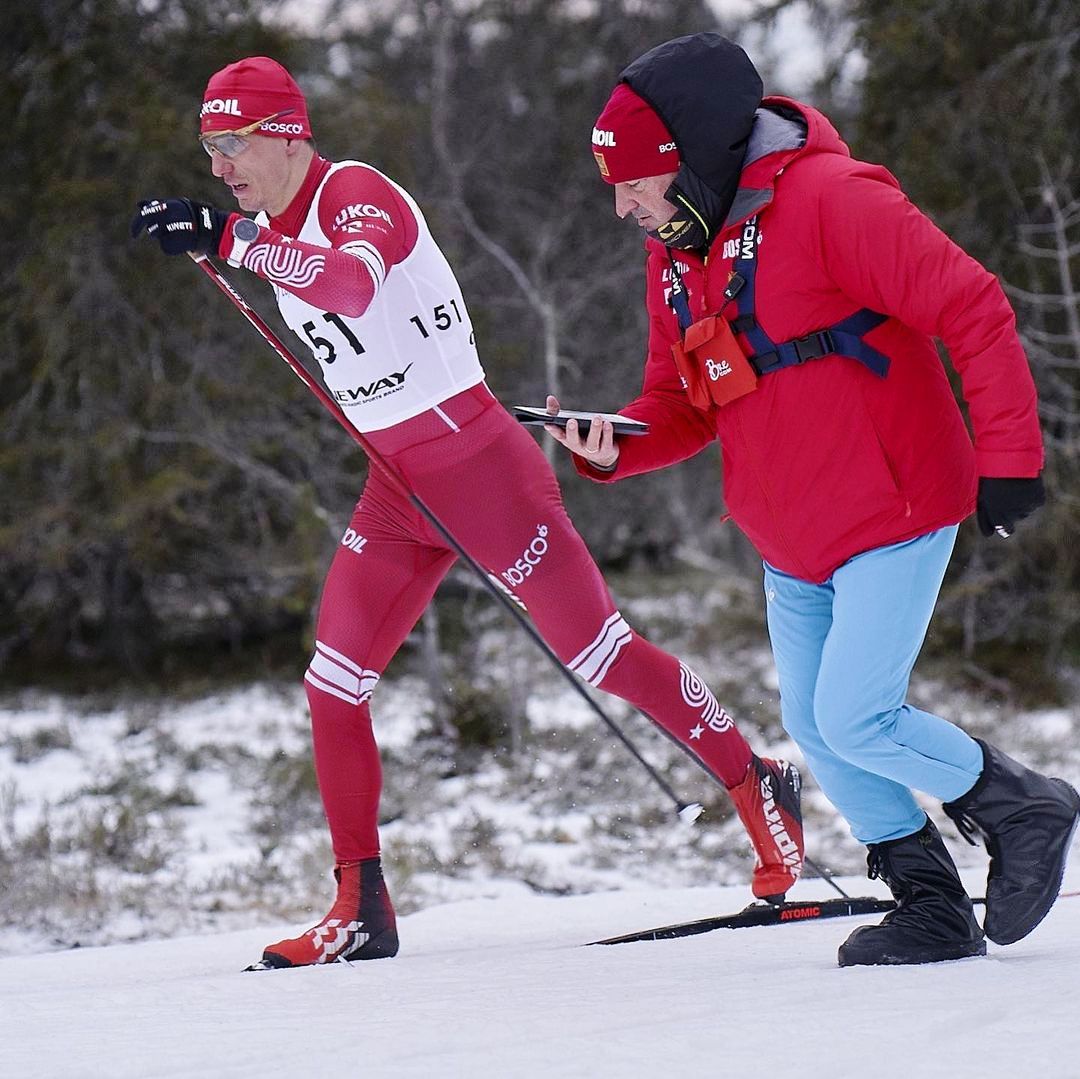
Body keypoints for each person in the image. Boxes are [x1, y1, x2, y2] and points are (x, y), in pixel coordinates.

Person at [130, 56, 805, 969]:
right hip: (396, 485)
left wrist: (228, 241)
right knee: (333, 683)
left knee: (600, 652)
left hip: (479, 467)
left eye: (232, 143)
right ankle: (360, 901)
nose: (220, 167)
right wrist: (225, 237)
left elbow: (353, 286)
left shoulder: (354, 192)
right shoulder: (260, 225)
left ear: (286, 131)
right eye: (208, 149)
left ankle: (756, 779)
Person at [546, 31, 1080, 967]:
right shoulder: (681, 249)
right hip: (788, 533)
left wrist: (1010, 458)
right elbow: (681, 402)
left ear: (697, 157)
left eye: (636, 181)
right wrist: (614, 441)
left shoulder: (835, 201)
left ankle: (1021, 805)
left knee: (857, 715)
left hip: (894, 503)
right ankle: (930, 902)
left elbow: (975, 305)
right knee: (816, 727)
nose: (624, 205)